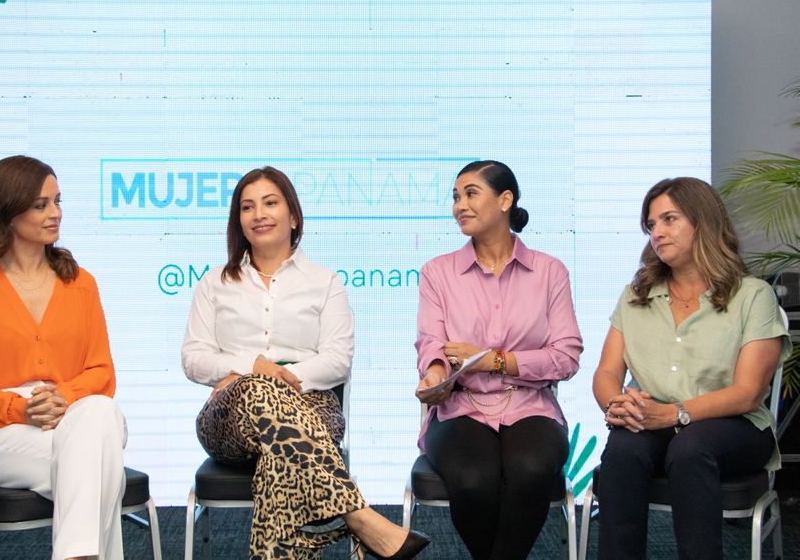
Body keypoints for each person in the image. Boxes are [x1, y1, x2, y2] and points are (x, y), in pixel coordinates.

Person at [182, 166, 430, 560]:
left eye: (270, 203)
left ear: (294, 216)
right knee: (257, 392)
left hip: (313, 406)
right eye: (247, 207)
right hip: (229, 417)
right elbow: (194, 359)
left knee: (280, 461)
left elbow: (337, 360)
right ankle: (357, 515)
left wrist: (274, 378)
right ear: (238, 221)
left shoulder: (324, 282)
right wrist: (253, 368)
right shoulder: (215, 283)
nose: (259, 214)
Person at [592, 177, 791, 559]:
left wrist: (674, 414)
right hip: (654, 418)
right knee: (623, 451)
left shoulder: (753, 295)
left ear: (704, 221)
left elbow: (748, 393)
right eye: (651, 225)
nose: (657, 233)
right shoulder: (636, 296)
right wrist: (616, 405)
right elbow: (607, 372)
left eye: (669, 219)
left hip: (735, 425)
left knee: (690, 447)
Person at [0, 155, 127, 560]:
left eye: (58, 201)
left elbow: (101, 371)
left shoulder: (80, 283)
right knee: (100, 460)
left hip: (73, 415)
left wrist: (63, 397)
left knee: (99, 414)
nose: (55, 213)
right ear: (7, 212)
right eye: (41, 205)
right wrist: (20, 409)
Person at [414, 160, 583, 560]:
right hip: (459, 407)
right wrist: (435, 374)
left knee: (531, 468)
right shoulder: (437, 272)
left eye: (471, 194)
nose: (459, 206)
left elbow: (566, 356)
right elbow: (432, 345)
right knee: (473, 479)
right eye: (456, 197)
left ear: (505, 200)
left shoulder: (549, 272)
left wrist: (494, 361)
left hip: (531, 404)